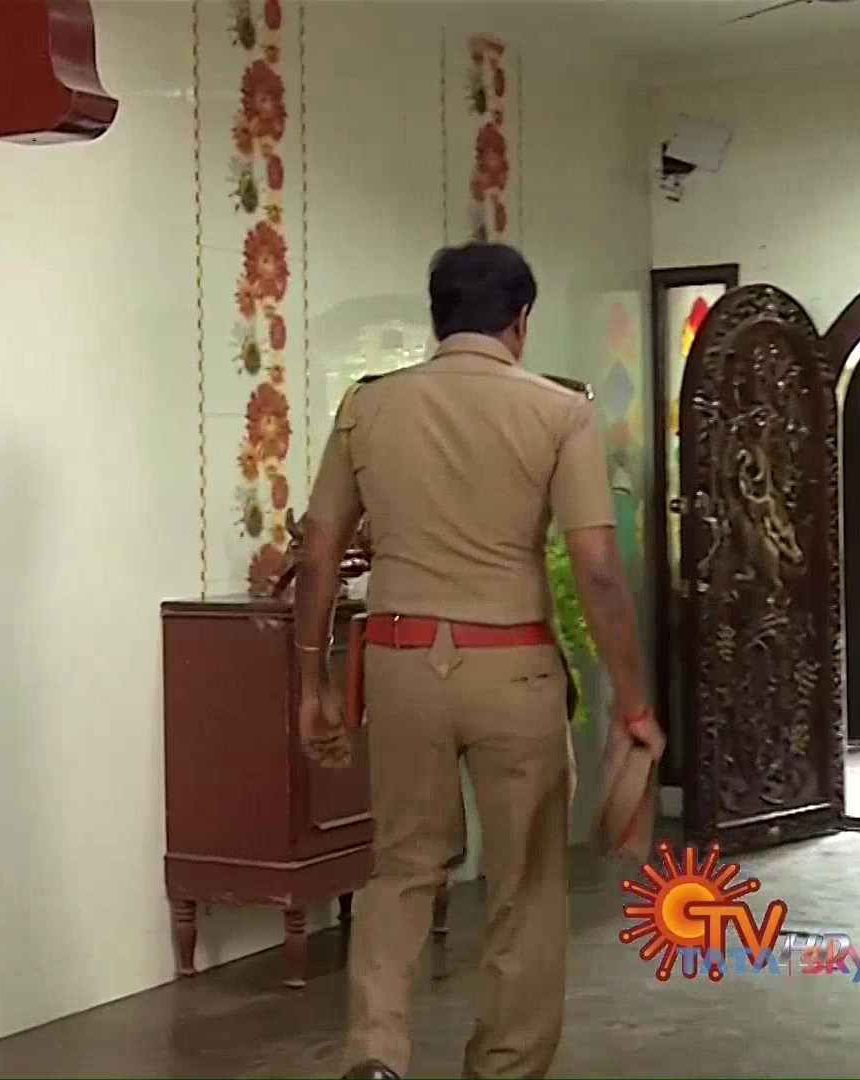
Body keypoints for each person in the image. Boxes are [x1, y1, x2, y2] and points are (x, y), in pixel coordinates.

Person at [291, 242, 664, 1080]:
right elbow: (599, 571)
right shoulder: (560, 412)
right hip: (515, 670)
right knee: (525, 883)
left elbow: (318, 555)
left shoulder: (367, 407)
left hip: (400, 665)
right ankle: (504, 1067)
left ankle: (376, 1051)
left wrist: (313, 680)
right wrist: (633, 703)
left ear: (437, 320)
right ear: (521, 322)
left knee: (402, 867)